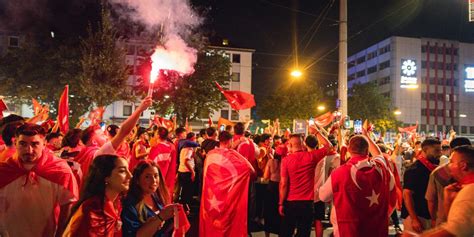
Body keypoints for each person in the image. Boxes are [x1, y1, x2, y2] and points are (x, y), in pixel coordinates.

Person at [0, 123, 78, 237]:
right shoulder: (4, 170)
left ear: (44, 144)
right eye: (23, 144)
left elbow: (68, 206)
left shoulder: (59, 170)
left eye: (35, 144)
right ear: (15, 143)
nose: (29, 150)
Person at [319, 133, 395, 237]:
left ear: (349, 149)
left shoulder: (339, 172)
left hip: (349, 230)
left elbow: (323, 197)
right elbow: (379, 155)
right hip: (376, 230)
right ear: (367, 151)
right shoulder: (381, 168)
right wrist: (367, 136)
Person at [403, 145, 474, 237]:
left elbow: (453, 231)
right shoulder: (463, 188)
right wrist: (448, 201)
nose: (448, 165)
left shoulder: (469, 192)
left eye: (451, 162)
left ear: (463, 166)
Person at [75, 97, 152, 180]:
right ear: (94, 141)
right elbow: (123, 132)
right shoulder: (96, 155)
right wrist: (139, 109)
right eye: (102, 135)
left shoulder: (85, 154)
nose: (106, 136)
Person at [199, 131, 255, 237]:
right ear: (230, 141)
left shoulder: (210, 154)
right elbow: (250, 170)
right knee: (226, 226)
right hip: (226, 199)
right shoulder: (231, 156)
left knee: (211, 224)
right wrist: (236, 153)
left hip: (210, 198)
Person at [279, 127, 332, 237]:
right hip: (307, 203)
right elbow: (328, 146)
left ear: (290, 145)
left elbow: (283, 184)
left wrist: (280, 203)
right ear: (302, 144)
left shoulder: (286, 160)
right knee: (303, 233)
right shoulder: (311, 156)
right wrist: (316, 132)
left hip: (291, 202)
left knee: (287, 232)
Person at [64, 154, 132, 236]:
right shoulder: (93, 209)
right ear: (106, 177)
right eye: (122, 171)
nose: (130, 176)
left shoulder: (116, 204)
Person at [122, 160, 179, 237]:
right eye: (147, 177)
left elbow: (161, 231)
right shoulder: (130, 204)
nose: (153, 181)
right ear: (137, 180)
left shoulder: (157, 197)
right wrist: (160, 217)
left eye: (156, 176)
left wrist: (174, 218)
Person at [425, 137, 471, 227]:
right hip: (455, 223)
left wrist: (434, 219)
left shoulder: (437, 172)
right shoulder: (437, 173)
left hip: (447, 222)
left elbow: (431, 201)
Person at [401, 138, 441, 233]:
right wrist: (414, 219)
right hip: (417, 216)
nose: (439, 154)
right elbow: (407, 195)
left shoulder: (434, 168)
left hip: (429, 215)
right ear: (425, 150)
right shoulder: (414, 170)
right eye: (436, 150)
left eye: (440, 150)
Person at [312, 135, 340, 237]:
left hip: (304, 194)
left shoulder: (303, 156)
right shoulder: (322, 157)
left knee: (303, 222)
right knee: (318, 219)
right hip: (320, 192)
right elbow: (327, 145)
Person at [149, 127, 177, 201]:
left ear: (158, 135)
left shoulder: (156, 148)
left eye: (155, 133)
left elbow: (150, 167)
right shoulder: (172, 146)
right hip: (169, 181)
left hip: (157, 182)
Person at [262, 144, 283, 237]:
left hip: (271, 187)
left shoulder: (271, 162)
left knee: (269, 211)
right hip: (281, 188)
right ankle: (280, 232)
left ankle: (267, 235)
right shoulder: (285, 162)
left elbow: (266, 177)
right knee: (279, 212)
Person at [175, 132, 197, 208]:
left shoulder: (184, 147)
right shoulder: (189, 148)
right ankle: (186, 208)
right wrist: (193, 172)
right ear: (191, 139)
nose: (196, 140)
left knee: (184, 190)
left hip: (182, 171)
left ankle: (184, 207)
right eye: (195, 138)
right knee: (187, 191)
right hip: (186, 172)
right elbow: (186, 161)